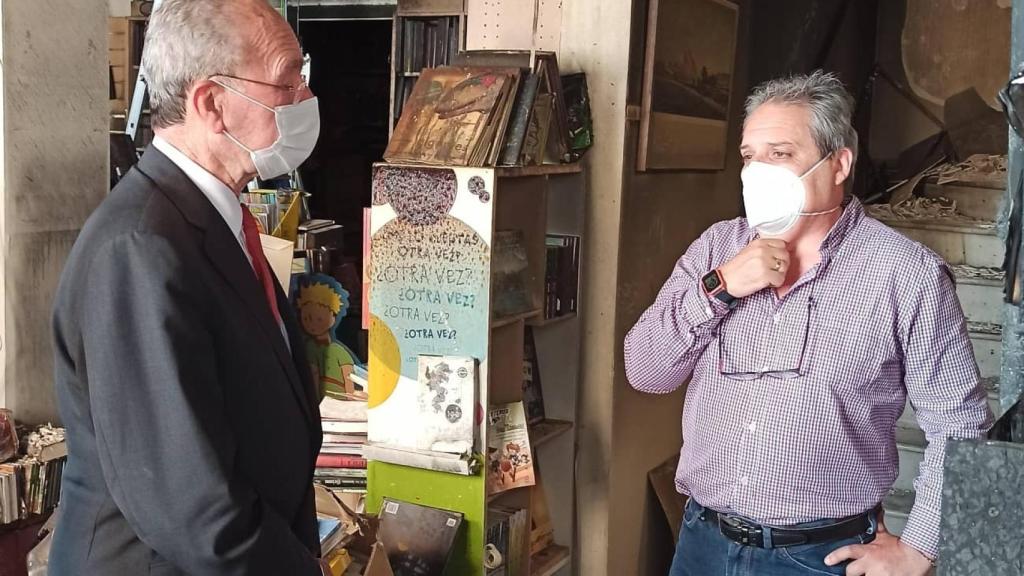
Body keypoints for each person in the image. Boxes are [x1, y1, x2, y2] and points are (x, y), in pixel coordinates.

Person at [624, 70, 993, 576]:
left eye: (780, 154)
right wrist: (720, 287)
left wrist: (920, 549)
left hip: (820, 557)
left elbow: (959, 421)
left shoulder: (905, 272)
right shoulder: (716, 249)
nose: (758, 173)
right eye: (750, 157)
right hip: (702, 543)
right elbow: (646, 371)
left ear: (838, 163)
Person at [50, 1, 328, 574]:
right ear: (211, 104)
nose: (306, 98)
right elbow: (190, 505)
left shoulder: (211, 218)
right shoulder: (143, 249)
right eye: (287, 79)